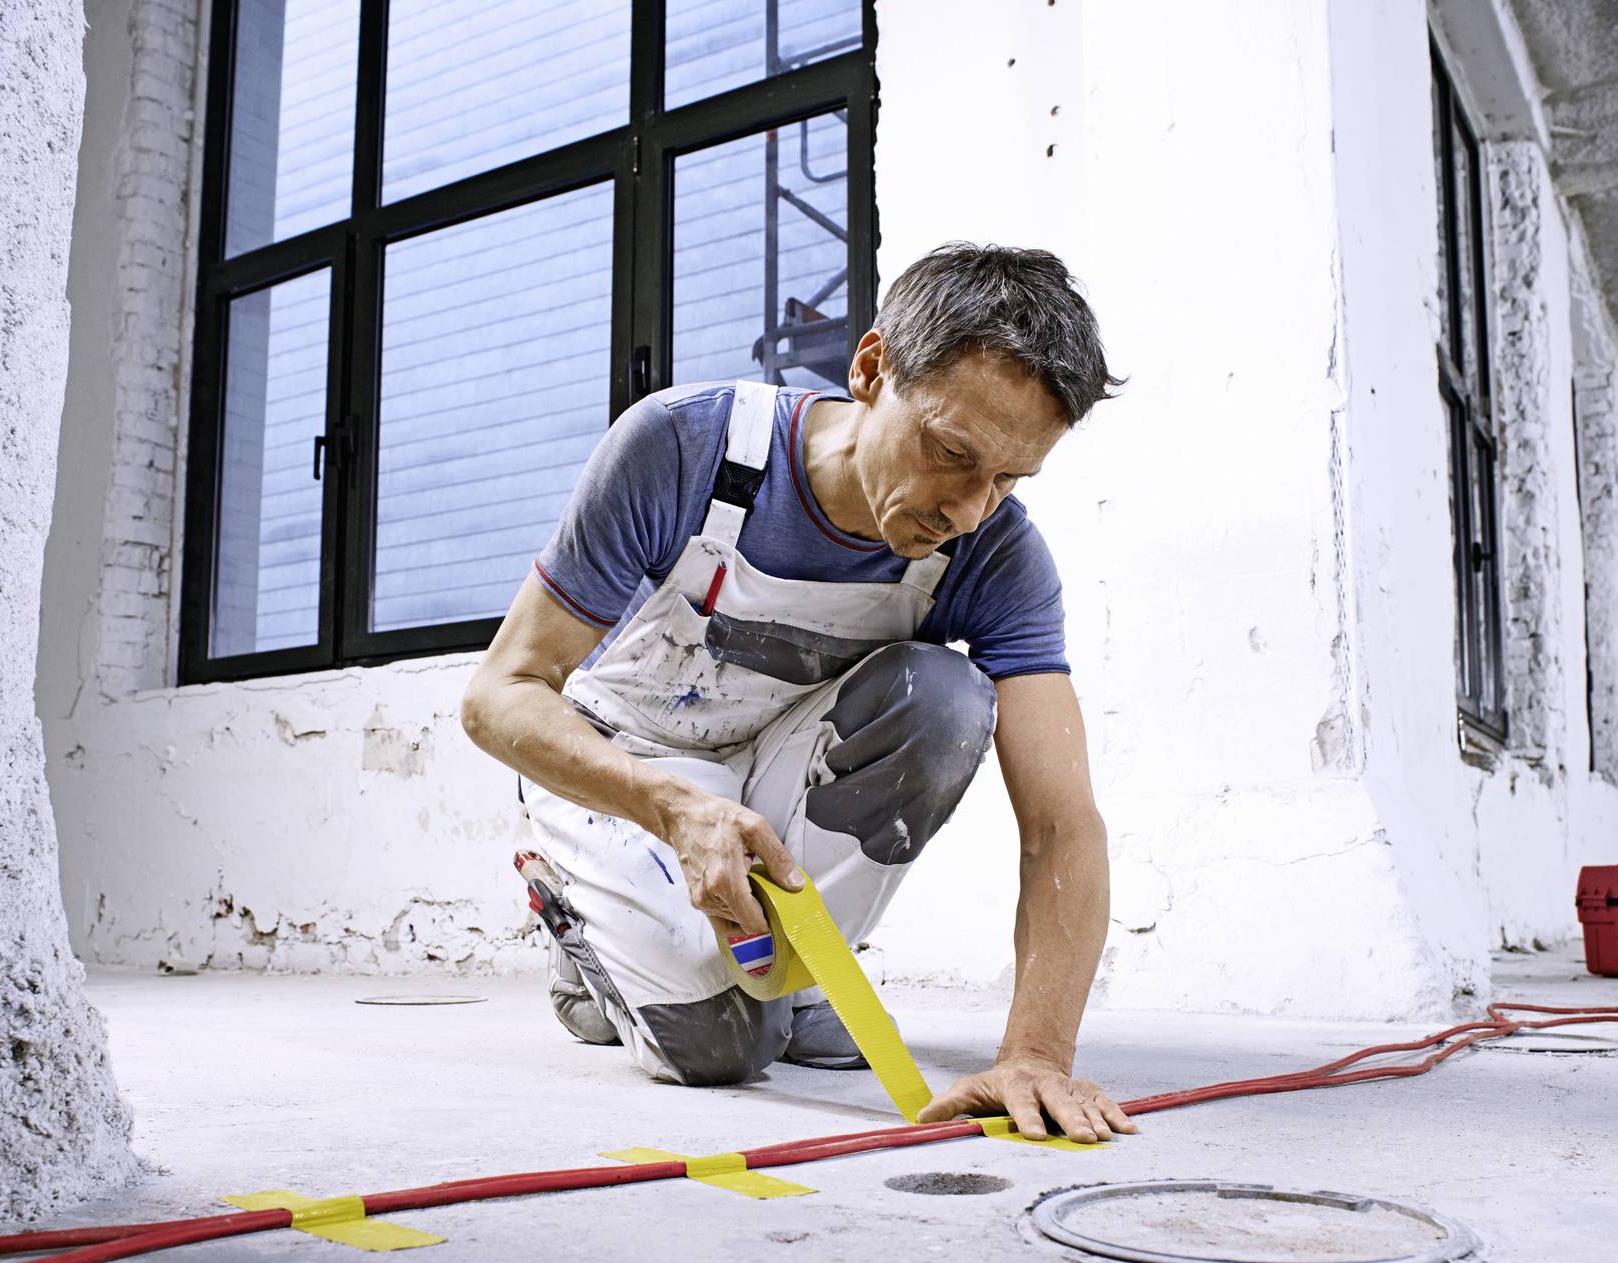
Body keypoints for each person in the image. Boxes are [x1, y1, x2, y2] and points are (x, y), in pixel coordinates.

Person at [460, 242, 1136, 1144]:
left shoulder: (998, 553)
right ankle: (579, 929)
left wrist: (1038, 1054)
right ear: (870, 369)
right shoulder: (685, 448)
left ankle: (794, 975)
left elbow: (1062, 822)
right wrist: (668, 807)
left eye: (1009, 479)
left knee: (946, 697)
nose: (971, 510)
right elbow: (500, 693)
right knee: (720, 1052)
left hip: (778, 775)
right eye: (951, 452)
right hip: (628, 772)